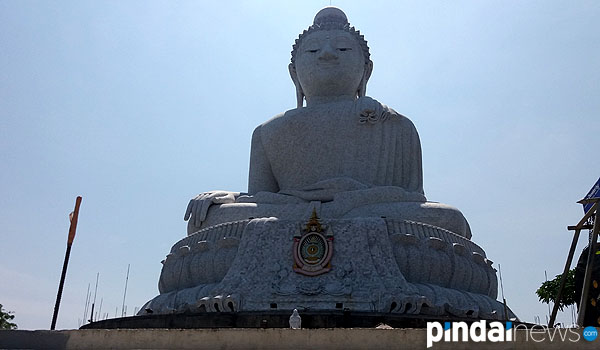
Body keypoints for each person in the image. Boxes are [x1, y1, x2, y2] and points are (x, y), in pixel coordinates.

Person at [185, 7, 471, 239]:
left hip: (368, 213)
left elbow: (413, 201)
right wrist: (232, 198)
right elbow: (261, 199)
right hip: (295, 214)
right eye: (312, 52)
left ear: (365, 71)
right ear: (294, 74)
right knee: (206, 220)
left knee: (450, 220)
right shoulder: (268, 131)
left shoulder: (395, 125)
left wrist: (352, 202)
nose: (327, 54)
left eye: (344, 50)